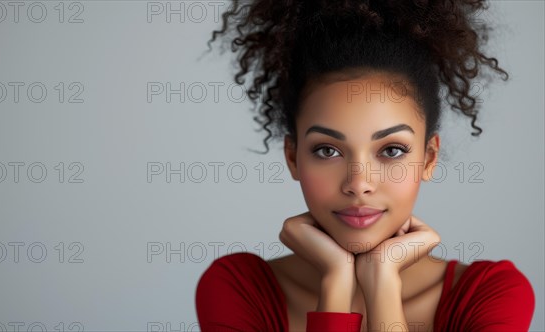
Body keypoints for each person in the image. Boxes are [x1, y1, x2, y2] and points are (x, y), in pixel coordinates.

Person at [195, 0, 536, 331]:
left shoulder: (492, 295)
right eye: (328, 150)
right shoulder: (237, 289)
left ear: (428, 158)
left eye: (390, 150)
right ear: (292, 157)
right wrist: (335, 284)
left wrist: (383, 283)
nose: (359, 183)